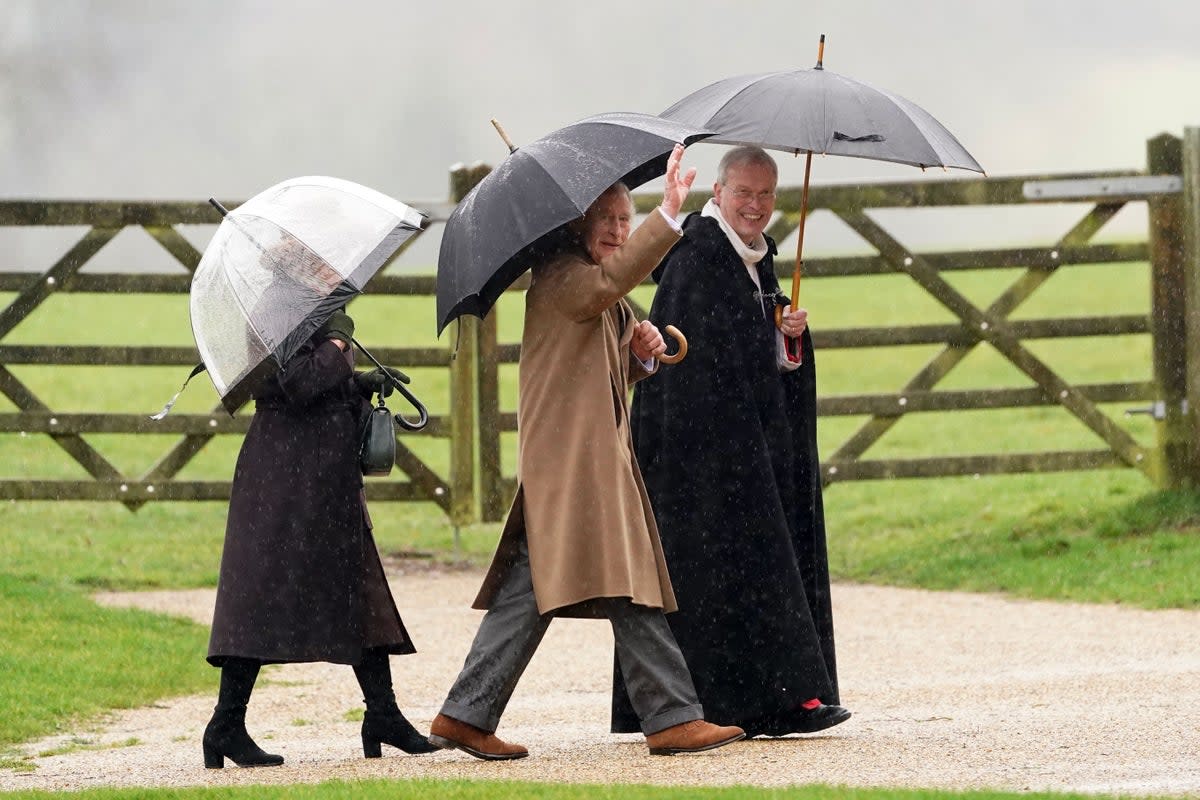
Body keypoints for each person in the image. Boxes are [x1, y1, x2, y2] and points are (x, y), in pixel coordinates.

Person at [427, 145, 745, 760]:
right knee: (626, 584)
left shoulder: (585, 282)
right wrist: (669, 214)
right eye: (609, 222)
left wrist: (641, 351)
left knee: (548, 588)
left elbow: (603, 369)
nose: (620, 231)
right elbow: (605, 284)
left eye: (627, 221)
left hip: (582, 465)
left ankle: (465, 714)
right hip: (576, 468)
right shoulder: (563, 276)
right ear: (578, 225)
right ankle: (671, 717)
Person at [612, 145, 851, 738]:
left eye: (766, 194)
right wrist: (726, 443)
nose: (755, 206)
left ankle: (782, 696)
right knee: (719, 575)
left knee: (764, 567)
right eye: (743, 193)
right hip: (704, 458)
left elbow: (753, 355)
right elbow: (689, 363)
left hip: (750, 449)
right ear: (717, 193)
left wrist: (786, 334)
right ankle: (730, 702)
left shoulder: (757, 259)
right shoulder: (698, 257)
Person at [202, 307, 438, 768]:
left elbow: (315, 381)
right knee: (263, 594)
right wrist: (338, 345)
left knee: (357, 586)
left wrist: (358, 383)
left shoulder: (318, 306)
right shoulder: (272, 310)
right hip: (285, 474)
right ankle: (226, 723)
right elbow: (296, 385)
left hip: (326, 474)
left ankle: (383, 715)